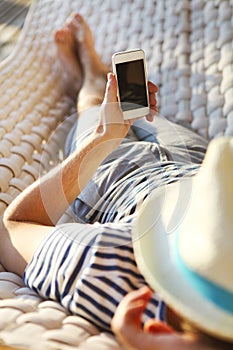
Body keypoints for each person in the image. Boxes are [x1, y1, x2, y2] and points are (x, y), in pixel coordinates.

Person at [0, 13, 232, 349]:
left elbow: (14, 227)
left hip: (122, 176)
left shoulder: (111, 263)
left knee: (97, 107)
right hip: (205, 167)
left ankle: (87, 71)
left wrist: (102, 140)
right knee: (138, 110)